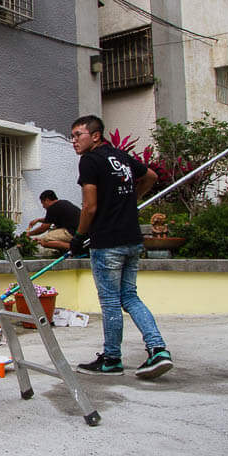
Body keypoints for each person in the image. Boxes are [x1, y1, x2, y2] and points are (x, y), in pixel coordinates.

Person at [68, 115, 173, 380]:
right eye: (72, 136)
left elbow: (89, 206)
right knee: (129, 296)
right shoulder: (121, 157)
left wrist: (79, 236)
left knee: (111, 301)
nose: (74, 141)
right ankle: (158, 349)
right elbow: (149, 175)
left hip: (108, 242)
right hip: (131, 239)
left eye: (78, 135)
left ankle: (112, 359)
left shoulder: (90, 161)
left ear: (95, 135)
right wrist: (132, 200)